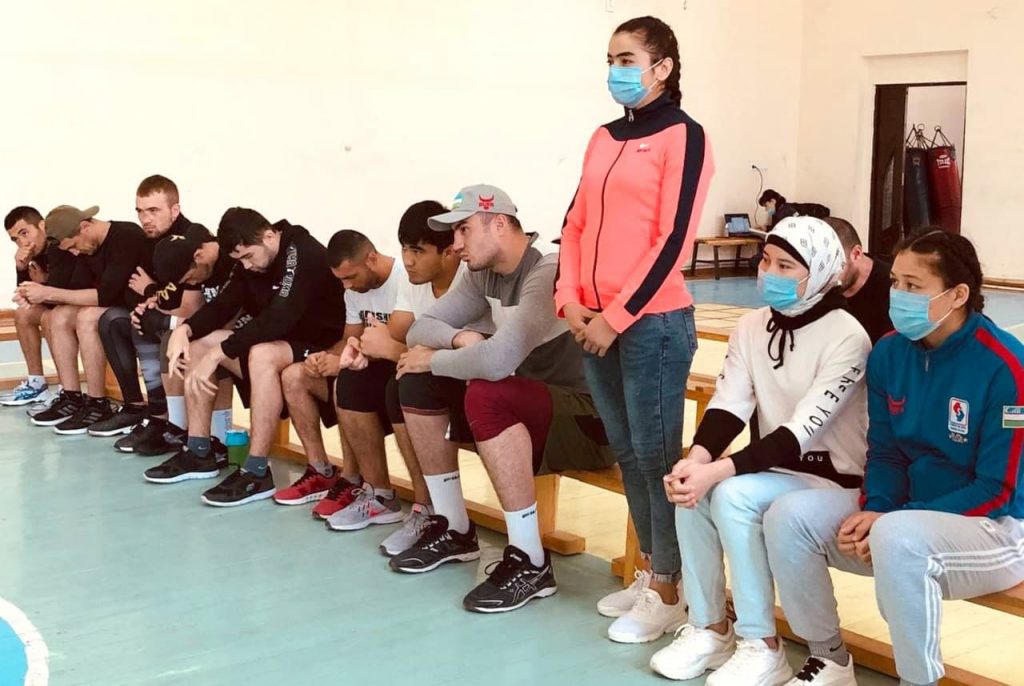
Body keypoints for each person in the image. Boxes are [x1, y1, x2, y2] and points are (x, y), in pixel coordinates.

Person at [764, 229, 1024, 686]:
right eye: (895, 282)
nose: (897, 294)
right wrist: (879, 508)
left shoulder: (1007, 366)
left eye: (913, 285)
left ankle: (918, 680)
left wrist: (891, 519)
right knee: (788, 517)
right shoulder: (888, 353)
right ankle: (829, 659)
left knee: (897, 539)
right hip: (904, 517)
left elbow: (996, 489)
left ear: (958, 294)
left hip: (997, 530)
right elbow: (884, 451)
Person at [650, 217, 870, 685]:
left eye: (786, 266)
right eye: (766, 261)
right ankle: (710, 628)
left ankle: (762, 645)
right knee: (692, 490)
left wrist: (718, 472)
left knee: (731, 494)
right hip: (776, 471)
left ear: (821, 272)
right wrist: (697, 460)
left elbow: (799, 432)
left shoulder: (848, 336)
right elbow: (729, 405)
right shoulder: (752, 326)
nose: (769, 273)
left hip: (834, 480)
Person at [555, 15, 713, 643]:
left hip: (652, 323)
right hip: (592, 321)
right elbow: (573, 224)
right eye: (611, 60)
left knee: (656, 456)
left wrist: (616, 318)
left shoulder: (685, 136)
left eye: (627, 59)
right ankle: (652, 569)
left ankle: (672, 588)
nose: (616, 70)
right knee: (626, 453)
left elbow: (673, 239)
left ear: (662, 68)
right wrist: (570, 301)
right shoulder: (603, 137)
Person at [391, 184, 616, 614]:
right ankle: (455, 528)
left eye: (463, 230)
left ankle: (531, 561)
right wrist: (458, 338)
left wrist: (434, 358)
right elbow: (420, 327)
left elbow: (496, 362)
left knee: (483, 390)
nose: (456, 244)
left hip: (588, 420)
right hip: (530, 404)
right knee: (415, 382)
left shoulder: (548, 270)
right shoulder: (482, 273)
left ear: (498, 224)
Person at [149, 208, 345, 508]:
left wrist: (219, 353)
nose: (247, 266)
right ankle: (199, 451)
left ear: (268, 236)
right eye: (240, 260)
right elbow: (224, 305)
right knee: (200, 344)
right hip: (282, 342)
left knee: (260, 353)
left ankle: (256, 470)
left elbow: (277, 319)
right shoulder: (251, 260)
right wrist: (184, 330)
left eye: (249, 257)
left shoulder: (301, 252)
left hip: (321, 347)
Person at [23, 205, 150, 434]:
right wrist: (40, 290)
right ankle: (72, 397)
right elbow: (76, 287)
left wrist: (48, 292)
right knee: (59, 315)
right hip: (113, 305)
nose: (74, 253)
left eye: (73, 246)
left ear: (85, 227)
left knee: (87, 316)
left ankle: (98, 402)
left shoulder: (126, 236)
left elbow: (106, 294)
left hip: (138, 306)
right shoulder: (87, 247)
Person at [118, 222, 235, 456]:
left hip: (245, 333)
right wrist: (153, 309)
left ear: (199, 256)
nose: (192, 284)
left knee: (203, 345)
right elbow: (192, 310)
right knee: (172, 338)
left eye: (189, 278)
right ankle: (178, 426)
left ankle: (222, 437)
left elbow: (225, 319)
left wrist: (165, 321)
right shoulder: (194, 258)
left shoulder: (231, 263)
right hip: (218, 328)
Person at [92, 175, 193, 438]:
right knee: (113, 320)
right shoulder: (146, 241)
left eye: (153, 211)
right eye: (140, 211)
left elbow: (187, 301)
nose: (145, 218)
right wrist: (146, 301)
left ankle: (165, 418)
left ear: (175, 210)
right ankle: (136, 407)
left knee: (146, 323)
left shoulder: (190, 240)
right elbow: (129, 288)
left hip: (189, 322)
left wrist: (150, 294)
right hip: (162, 315)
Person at [3, 206, 58, 407]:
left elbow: (72, 289)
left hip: (78, 306)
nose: (22, 243)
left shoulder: (60, 246)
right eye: (15, 239)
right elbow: (27, 296)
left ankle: (68, 390)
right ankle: (36, 384)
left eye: (24, 233)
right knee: (23, 313)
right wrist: (21, 268)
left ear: (42, 226)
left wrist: (45, 282)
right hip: (56, 304)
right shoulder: (33, 254)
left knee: (52, 317)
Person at [825, 217, 894, 344]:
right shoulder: (818, 285)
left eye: (833, 265)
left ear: (856, 254)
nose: (825, 276)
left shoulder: (893, 287)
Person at [758, 189, 830, 231]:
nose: (766, 209)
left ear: (773, 201)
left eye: (766, 206)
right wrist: (766, 228)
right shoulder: (779, 211)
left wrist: (767, 229)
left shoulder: (786, 210)